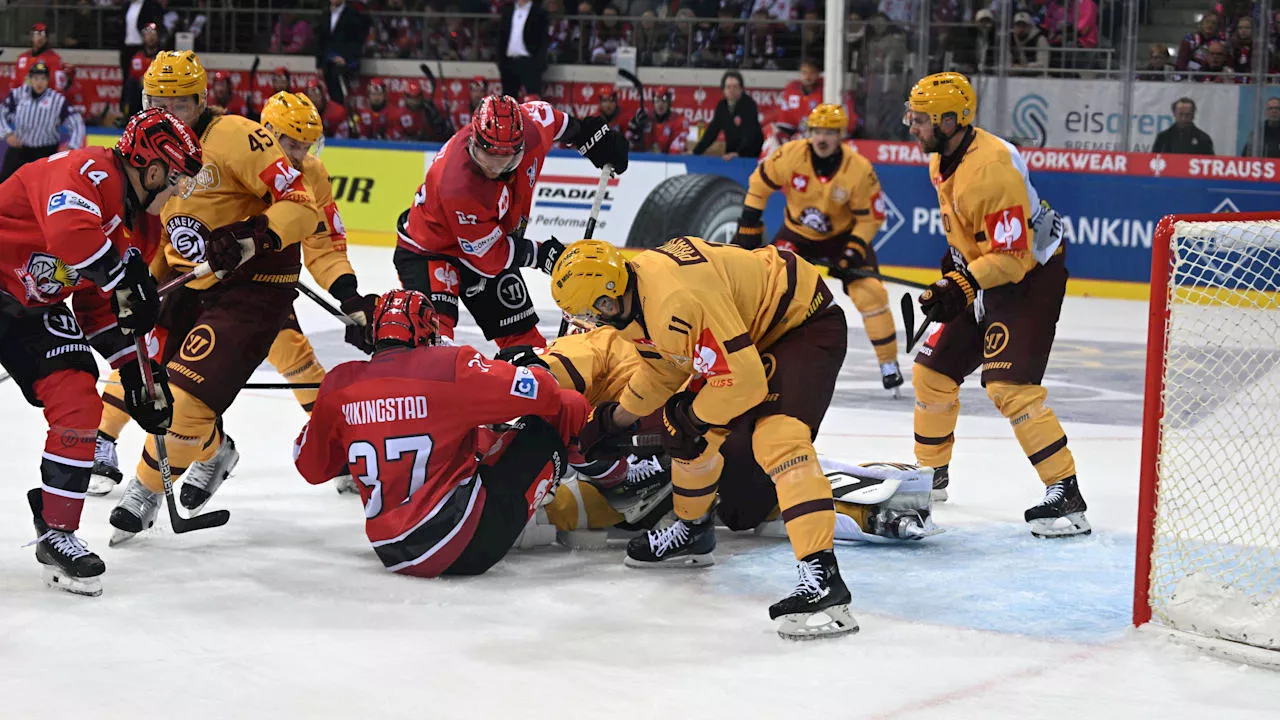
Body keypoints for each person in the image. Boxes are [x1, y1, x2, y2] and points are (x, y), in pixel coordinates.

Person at [549, 237, 855, 640]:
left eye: (590, 311)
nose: (590, 320)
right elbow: (663, 372)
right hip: (750, 329)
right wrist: (616, 419)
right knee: (686, 440)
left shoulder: (674, 300)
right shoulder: (638, 292)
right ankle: (693, 532)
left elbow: (744, 383)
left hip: (799, 323)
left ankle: (823, 578)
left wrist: (691, 415)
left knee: (777, 438)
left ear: (607, 302)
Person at [89, 91, 376, 499]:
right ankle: (105, 438)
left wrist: (348, 295)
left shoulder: (309, 174)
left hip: (254, 286)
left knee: (294, 356)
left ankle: (337, 447)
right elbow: (173, 215)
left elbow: (324, 240)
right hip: (191, 277)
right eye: (291, 143)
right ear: (268, 133)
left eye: (307, 145)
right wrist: (149, 275)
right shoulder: (238, 148)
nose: (299, 154)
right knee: (146, 355)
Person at [103, 50, 320, 544]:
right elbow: (165, 237)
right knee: (147, 382)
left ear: (201, 100)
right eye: (156, 101)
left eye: (179, 103)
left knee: (188, 395)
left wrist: (252, 237)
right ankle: (213, 450)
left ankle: (145, 489)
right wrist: (145, 283)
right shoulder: (147, 144)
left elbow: (302, 207)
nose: (166, 111)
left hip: (251, 287)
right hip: (190, 282)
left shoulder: (239, 136)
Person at [0, 107, 202, 596]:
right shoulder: (87, 171)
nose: (178, 191)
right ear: (152, 169)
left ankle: (57, 530)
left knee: (80, 402)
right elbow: (71, 236)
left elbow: (98, 307)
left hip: (32, 310)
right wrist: (123, 276)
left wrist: (137, 376)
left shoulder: (144, 224)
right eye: (175, 180)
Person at [498, 328, 939, 549]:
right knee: (751, 501)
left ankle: (867, 498)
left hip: (685, 446)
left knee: (701, 500)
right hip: (708, 433)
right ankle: (870, 506)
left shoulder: (581, 349)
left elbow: (542, 388)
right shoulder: (634, 335)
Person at [902, 72, 1088, 539]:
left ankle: (1066, 494)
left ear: (951, 120)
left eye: (921, 119)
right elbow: (969, 236)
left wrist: (963, 283)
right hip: (985, 272)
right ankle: (930, 476)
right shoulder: (941, 159)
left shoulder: (992, 169)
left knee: (1009, 385)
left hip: (1030, 277)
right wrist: (951, 280)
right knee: (932, 371)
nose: (912, 126)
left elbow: (1014, 257)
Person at [293, 289, 588, 578]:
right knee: (567, 406)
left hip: (391, 552)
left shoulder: (338, 384)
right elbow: (546, 393)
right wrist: (528, 363)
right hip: (466, 542)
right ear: (426, 330)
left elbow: (311, 467)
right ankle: (586, 493)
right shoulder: (449, 365)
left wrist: (337, 418)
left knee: (476, 434)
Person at [394, 95, 629, 350]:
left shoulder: (534, 127)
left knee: (527, 346)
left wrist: (591, 137)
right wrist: (540, 254)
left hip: (489, 240)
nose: (494, 167)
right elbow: (491, 259)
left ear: (521, 144)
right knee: (433, 344)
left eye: (505, 158)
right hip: (431, 249)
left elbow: (558, 121)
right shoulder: (458, 185)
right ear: (474, 140)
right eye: (487, 156)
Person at [734, 103, 902, 395]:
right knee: (772, 288)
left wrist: (851, 252)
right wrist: (749, 225)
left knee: (870, 293)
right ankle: (755, 354)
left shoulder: (859, 169)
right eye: (817, 131)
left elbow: (871, 218)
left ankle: (889, 364)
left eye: (830, 132)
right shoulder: (791, 155)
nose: (822, 138)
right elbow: (759, 183)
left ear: (841, 136)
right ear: (808, 132)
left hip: (843, 237)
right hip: (797, 235)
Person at [0, 62, 86, 183]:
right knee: (5, 182)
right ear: (30, 79)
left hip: (45, 152)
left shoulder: (57, 100)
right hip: (20, 148)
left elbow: (77, 123)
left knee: (42, 187)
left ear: (48, 80)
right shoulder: (18, 95)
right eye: (36, 78)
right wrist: (7, 134)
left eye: (43, 79)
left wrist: (72, 146)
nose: (39, 82)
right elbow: (1, 112)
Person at [691, 70, 763, 160]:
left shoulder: (749, 105)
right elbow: (712, 131)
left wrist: (739, 153)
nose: (731, 90)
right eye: (728, 87)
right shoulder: (722, 106)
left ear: (741, 89)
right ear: (723, 90)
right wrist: (695, 152)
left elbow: (750, 133)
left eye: (735, 87)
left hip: (750, 156)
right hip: (730, 154)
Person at [764, 57, 823, 155]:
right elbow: (785, 123)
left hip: (818, 137)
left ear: (818, 74)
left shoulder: (826, 89)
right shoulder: (791, 89)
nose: (808, 77)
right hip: (796, 137)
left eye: (811, 73)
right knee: (771, 138)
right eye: (804, 73)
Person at [316, 0, 369, 106]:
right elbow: (320, 40)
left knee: (340, 85)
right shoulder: (325, 14)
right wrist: (319, 63)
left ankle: (342, 111)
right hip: (328, 61)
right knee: (329, 86)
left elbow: (357, 40)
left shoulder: (353, 14)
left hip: (347, 61)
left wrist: (345, 58)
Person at [497, 0, 550, 100]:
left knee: (533, 100)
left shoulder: (539, 12)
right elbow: (501, 36)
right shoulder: (507, 10)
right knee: (508, 101)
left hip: (529, 62)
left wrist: (538, 63)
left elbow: (543, 40)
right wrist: (501, 61)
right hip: (509, 62)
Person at [627, 86, 689, 154]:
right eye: (657, 101)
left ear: (669, 103)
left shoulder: (679, 121)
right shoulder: (644, 118)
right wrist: (635, 130)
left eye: (664, 101)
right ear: (653, 103)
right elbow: (629, 142)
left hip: (668, 161)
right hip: (644, 160)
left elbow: (677, 149)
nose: (660, 104)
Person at [122, 23, 162, 117]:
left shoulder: (163, 58)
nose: (151, 37)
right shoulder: (137, 58)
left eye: (153, 34)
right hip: (141, 96)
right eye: (148, 34)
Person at [13, 23, 65, 90]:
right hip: (24, 98)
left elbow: (58, 87)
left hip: (45, 98)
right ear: (31, 37)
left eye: (42, 35)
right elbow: (15, 84)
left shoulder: (54, 59)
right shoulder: (22, 58)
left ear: (47, 39)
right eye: (36, 34)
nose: (39, 38)